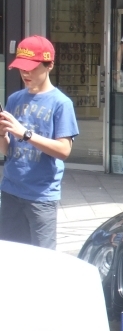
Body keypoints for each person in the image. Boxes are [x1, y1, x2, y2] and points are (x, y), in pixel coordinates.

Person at [0, 36, 79, 249]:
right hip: (10, 190)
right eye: (21, 68)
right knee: (11, 256)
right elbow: (9, 150)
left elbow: (64, 150)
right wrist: (2, 134)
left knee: (42, 260)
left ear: (49, 65)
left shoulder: (61, 103)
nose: (25, 73)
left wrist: (25, 134)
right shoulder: (15, 99)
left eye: (31, 68)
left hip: (41, 196)